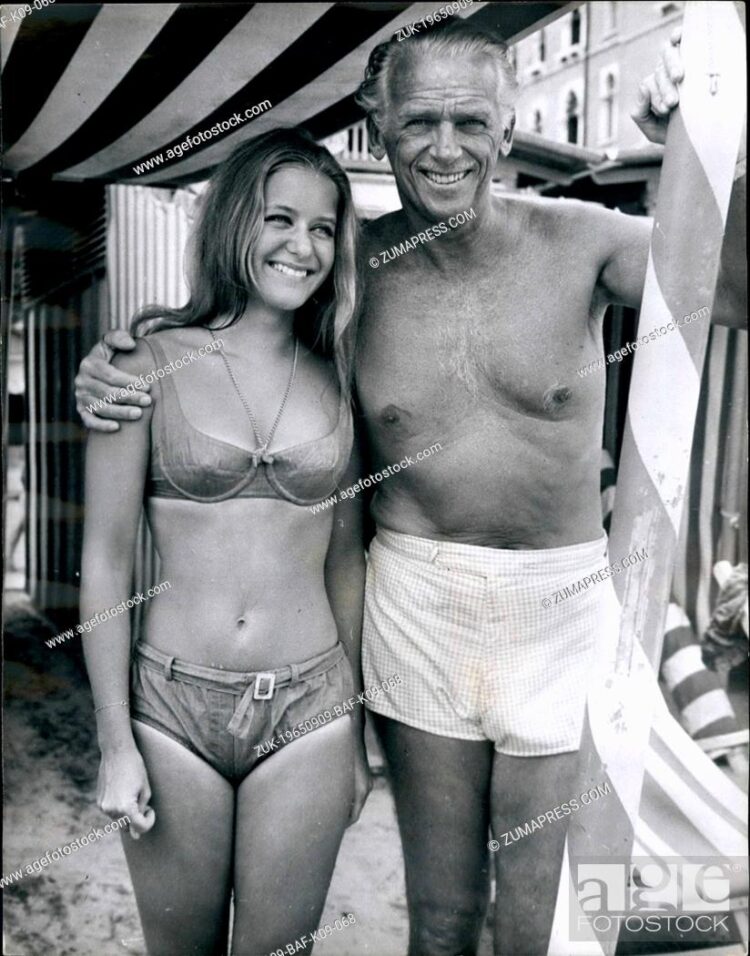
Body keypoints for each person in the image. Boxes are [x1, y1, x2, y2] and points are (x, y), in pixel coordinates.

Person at [75, 19, 746, 956]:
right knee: (440, 916)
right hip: (418, 600)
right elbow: (244, 334)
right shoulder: (350, 277)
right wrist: (113, 368)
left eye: (471, 122)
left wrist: (713, 153)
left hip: (559, 607)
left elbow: (734, 290)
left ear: (508, 128)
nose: (445, 147)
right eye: (419, 123)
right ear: (381, 130)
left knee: (539, 916)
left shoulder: (584, 239)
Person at [79, 128, 370, 956]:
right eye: (280, 219)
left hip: (311, 709)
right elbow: (104, 560)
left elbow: (345, 563)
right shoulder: (142, 365)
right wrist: (114, 744)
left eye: (323, 228)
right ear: (234, 220)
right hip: (171, 708)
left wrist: (355, 732)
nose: (302, 246)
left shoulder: (338, 377)